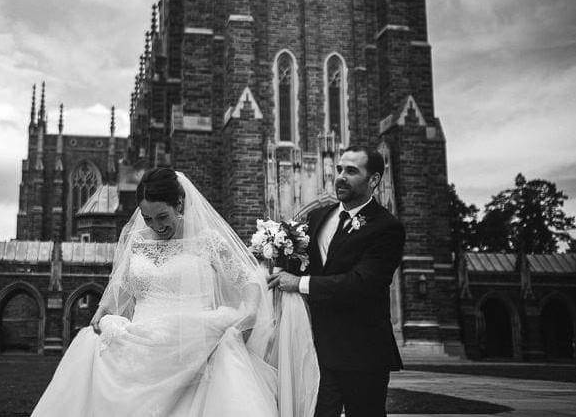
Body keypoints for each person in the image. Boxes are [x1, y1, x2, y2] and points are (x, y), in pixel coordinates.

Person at [30, 167, 278, 417]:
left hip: (195, 344)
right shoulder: (137, 242)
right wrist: (103, 311)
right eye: (148, 218)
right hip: (142, 348)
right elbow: (122, 289)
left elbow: (248, 280)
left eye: (162, 216)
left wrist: (250, 310)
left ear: (179, 204)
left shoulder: (208, 240)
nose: (156, 226)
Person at [268, 146, 405, 417]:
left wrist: (298, 283)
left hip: (362, 352)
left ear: (374, 180)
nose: (340, 176)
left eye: (351, 171)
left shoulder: (387, 227)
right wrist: (267, 252)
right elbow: (299, 261)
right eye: (339, 169)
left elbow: (361, 284)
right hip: (317, 348)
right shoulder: (319, 216)